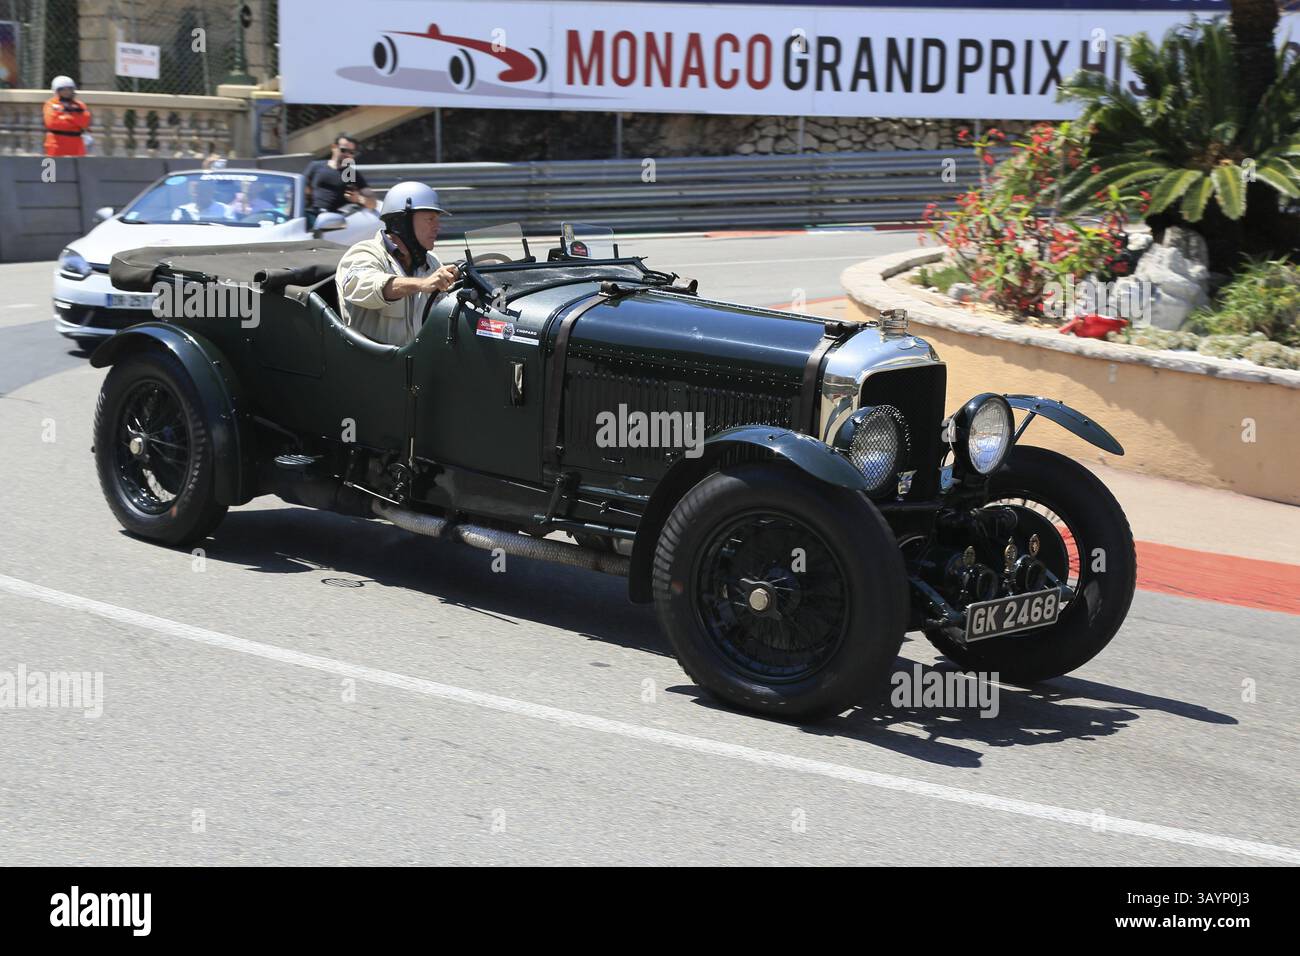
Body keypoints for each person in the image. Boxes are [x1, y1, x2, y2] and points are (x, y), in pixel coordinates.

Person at [335, 181, 458, 347]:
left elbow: (446, 307)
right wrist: (422, 284)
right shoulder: (364, 253)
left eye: (437, 219)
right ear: (402, 221)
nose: (438, 227)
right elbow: (365, 286)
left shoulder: (430, 261)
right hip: (375, 365)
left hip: (418, 363)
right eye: (430, 219)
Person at [304, 134, 377, 213]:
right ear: (334, 147)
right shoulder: (315, 166)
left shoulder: (352, 174)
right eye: (343, 150)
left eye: (351, 152)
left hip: (335, 220)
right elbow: (302, 189)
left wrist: (358, 198)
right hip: (312, 213)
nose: (347, 154)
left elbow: (373, 204)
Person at [43, 76, 91, 157]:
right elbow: (52, 123)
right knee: (53, 169)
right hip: (55, 145)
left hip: (76, 146)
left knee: (77, 169)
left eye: (69, 89)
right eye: (63, 89)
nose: (67, 92)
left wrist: (65, 116)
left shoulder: (80, 105)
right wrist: (74, 118)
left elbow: (85, 123)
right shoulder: (51, 104)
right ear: (56, 91)